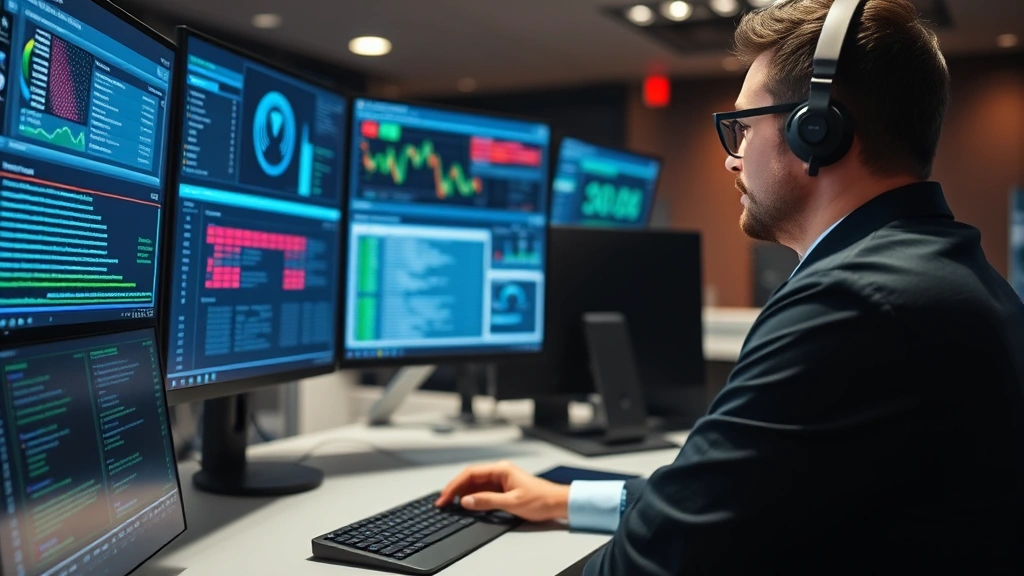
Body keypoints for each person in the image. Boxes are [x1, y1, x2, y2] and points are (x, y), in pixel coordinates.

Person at [435, 0, 1024, 573]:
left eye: (742, 127)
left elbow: (659, 559)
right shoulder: (947, 272)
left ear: (815, 129)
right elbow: (746, 495)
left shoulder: (850, 303)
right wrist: (565, 500)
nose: (731, 159)